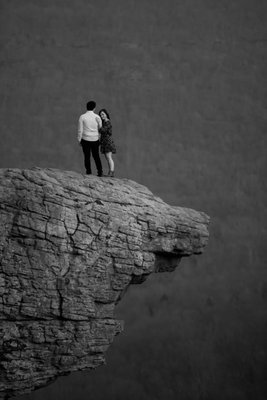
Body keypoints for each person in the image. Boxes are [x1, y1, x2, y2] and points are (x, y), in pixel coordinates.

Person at [77, 100, 103, 176]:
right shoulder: (97, 117)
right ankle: (100, 172)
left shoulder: (82, 117)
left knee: (87, 156)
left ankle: (88, 172)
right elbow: (100, 129)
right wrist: (99, 138)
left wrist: (79, 140)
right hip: (95, 139)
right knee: (96, 156)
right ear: (94, 108)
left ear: (86, 107)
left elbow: (80, 130)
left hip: (85, 139)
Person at [99, 109, 116, 177]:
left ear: (106, 114)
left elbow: (103, 130)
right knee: (107, 157)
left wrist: (98, 126)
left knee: (109, 157)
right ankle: (110, 172)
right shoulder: (104, 122)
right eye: (100, 115)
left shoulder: (107, 122)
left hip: (108, 142)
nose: (101, 116)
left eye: (103, 114)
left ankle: (111, 172)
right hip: (104, 142)